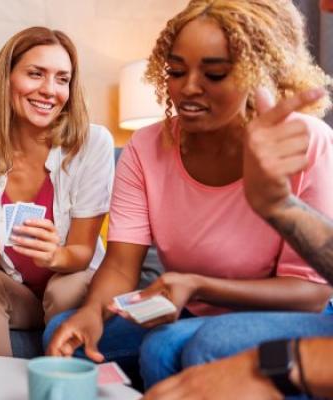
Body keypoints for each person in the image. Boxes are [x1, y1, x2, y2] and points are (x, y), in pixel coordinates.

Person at [44, 0, 333, 389]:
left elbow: (311, 294)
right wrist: (94, 309)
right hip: (190, 309)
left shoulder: (304, 142)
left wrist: (198, 284)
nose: (188, 87)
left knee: (179, 346)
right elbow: (119, 266)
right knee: (65, 333)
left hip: (297, 315)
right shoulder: (146, 147)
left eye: (214, 73)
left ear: (259, 73)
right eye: (176, 71)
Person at [0, 26, 113, 356]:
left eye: (62, 79)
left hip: (74, 282)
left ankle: (59, 382)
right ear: (7, 79)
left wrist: (55, 256)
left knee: (62, 288)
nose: (50, 90)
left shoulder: (93, 143)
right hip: (20, 294)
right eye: (35, 74)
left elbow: (82, 252)